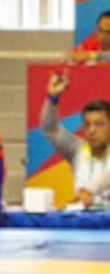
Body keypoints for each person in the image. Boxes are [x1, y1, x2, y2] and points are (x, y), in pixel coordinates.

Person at [41, 72, 110, 207]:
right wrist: (52, 98)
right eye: (87, 124)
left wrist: (89, 193)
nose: (91, 130)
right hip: (81, 222)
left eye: (99, 124)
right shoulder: (77, 149)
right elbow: (51, 130)